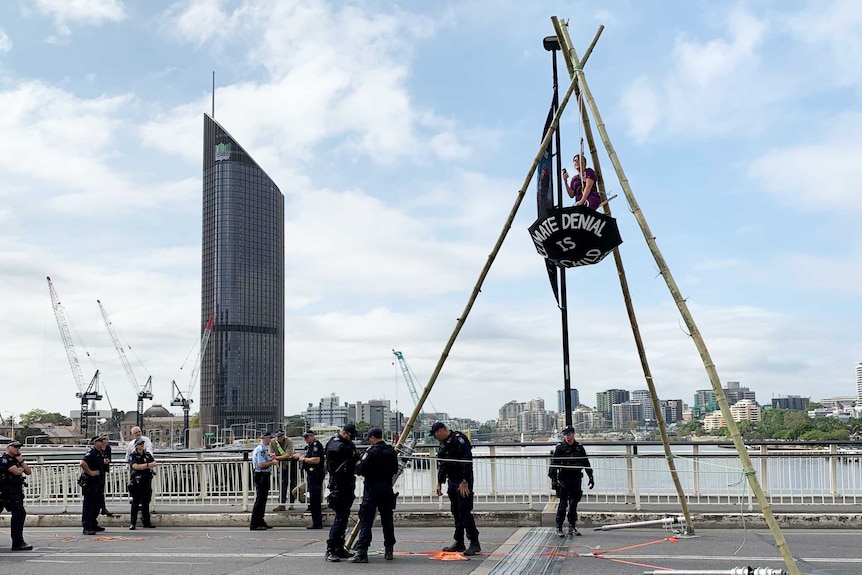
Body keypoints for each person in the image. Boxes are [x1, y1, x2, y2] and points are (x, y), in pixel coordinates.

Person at [431, 422, 481, 556]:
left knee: (464, 511)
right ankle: (459, 542)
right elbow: (442, 464)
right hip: (452, 481)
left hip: (462, 481)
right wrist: (439, 482)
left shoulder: (459, 439)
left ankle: (474, 542)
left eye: (435, 434)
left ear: (441, 430)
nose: (435, 438)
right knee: (456, 512)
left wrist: (465, 481)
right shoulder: (443, 443)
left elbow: (467, 461)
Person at [351, 427, 399, 563]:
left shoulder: (371, 452)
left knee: (366, 520)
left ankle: (362, 552)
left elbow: (360, 470)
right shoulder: (391, 451)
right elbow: (395, 469)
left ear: (372, 438)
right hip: (387, 489)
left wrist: (358, 463)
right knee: (387, 520)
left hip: (372, 489)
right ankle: (389, 549)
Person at [548, 425, 594, 536]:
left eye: (568, 434)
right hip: (564, 479)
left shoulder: (579, 447)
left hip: (576, 479)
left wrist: (591, 477)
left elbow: (586, 463)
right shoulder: (560, 448)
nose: (567, 436)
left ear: (573, 434)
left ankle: (572, 526)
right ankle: (559, 527)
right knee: (563, 504)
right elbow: (553, 466)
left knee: (573, 505)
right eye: (565, 434)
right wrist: (554, 481)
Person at [324, 422, 359, 562]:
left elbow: (353, 455)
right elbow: (337, 450)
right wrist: (351, 455)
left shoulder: (347, 444)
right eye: (350, 436)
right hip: (338, 485)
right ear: (344, 433)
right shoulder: (336, 443)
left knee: (343, 518)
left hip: (347, 483)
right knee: (340, 518)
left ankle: (339, 548)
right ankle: (331, 549)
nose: (352, 439)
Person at [0, 440, 33, 550]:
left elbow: (28, 471)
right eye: (15, 447)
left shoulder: (17, 460)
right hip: (5, 492)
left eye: (18, 447)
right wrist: (20, 467)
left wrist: (21, 461)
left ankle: (18, 542)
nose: (17, 449)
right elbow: (17, 472)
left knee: (19, 515)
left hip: (14, 492)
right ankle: (18, 543)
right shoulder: (4, 460)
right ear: (8, 448)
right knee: (19, 514)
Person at [128, 438, 158, 530]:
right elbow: (135, 466)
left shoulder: (147, 455)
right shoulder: (133, 455)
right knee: (135, 503)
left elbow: (154, 463)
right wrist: (147, 465)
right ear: (136, 446)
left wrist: (143, 466)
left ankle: (147, 522)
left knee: (146, 502)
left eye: (143, 444)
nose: (142, 445)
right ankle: (133, 523)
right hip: (137, 481)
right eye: (140, 444)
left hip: (146, 480)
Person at [80, 435, 108, 535]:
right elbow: (83, 463)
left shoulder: (99, 453)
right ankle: (87, 526)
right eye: (100, 441)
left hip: (98, 482)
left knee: (97, 504)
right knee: (89, 505)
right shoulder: (91, 453)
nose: (102, 443)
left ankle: (93, 523)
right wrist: (90, 472)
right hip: (90, 482)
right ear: (95, 443)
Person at [299, 430, 325, 530]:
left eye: (307, 437)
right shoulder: (310, 446)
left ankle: (317, 522)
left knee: (315, 499)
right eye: (304, 437)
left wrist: (304, 459)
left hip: (315, 474)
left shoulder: (315, 445)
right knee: (314, 499)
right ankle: (316, 521)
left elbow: (316, 459)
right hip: (312, 474)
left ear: (311, 436)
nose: (305, 439)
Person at [250, 431, 275, 531]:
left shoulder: (263, 449)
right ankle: (255, 523)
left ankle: (260, 520)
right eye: (270, 438)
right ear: (266, 438)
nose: (271, 440)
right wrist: (272, 462)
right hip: (261, 475)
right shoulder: (261, 450)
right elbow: (261, 464)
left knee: (263, 499)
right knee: (260, 499)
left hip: (263, 475)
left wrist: (270, 458)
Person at [269, 429, 298, 511]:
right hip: (282, 466)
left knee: (293, 483)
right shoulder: (273, 442)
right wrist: (274, 457)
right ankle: (282, 504)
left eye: (281, 436)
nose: (279, 438)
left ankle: (291, 503)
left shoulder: (289, 442)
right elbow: (271, 454)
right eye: (278, 436)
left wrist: (277, 458)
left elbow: (288, 455)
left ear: (283, 436)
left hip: (291, 464)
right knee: (282, 484)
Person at [99, 438, 114, 517]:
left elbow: (109, 458)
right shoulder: (98, 448)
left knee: (101, 490)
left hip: (103, 470)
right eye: (104, 439)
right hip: (97, 470)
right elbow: (96, 459)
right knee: (98, 490)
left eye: (107, 439)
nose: (106, 441)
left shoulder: (108, 448)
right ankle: (101, 508)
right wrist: (102, 461)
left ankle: (103, 508)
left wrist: (107, 460)